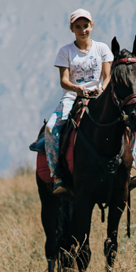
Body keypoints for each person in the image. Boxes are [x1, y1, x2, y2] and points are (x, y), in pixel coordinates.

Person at [43, 10, 113, 195]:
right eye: (78, 27)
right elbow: (64, 80)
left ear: (92, 26)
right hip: (73, 96)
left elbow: (107, 76)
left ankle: (129, 167)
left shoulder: (102, 49)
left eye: (85, 26)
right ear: (72, 29)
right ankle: (56, 174)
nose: (82, 30)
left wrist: (101, 90)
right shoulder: (65, 51)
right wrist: (77, 89)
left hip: (99, 95)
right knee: (51, 128)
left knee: (127, 121)